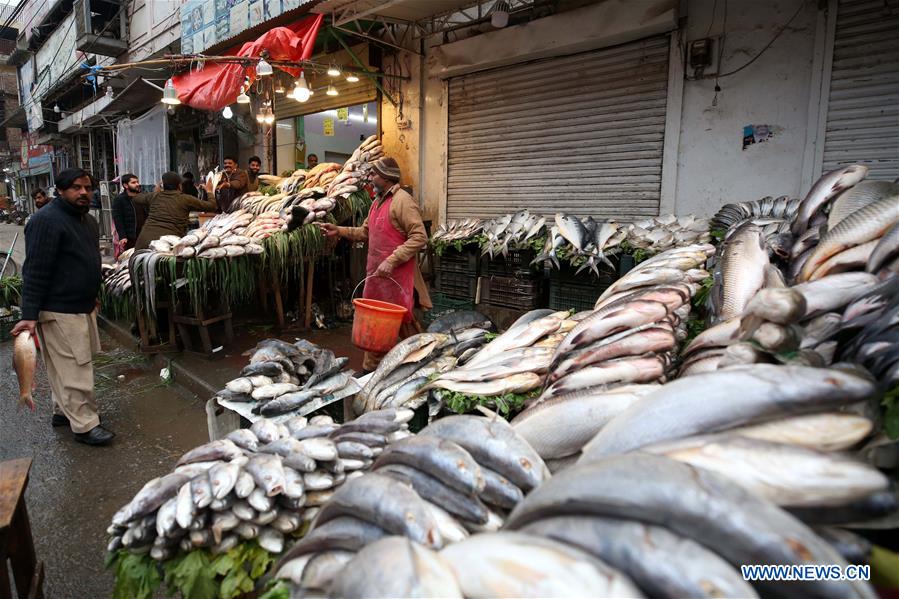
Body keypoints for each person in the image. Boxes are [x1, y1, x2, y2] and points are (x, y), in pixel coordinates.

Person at [11, 168, 113, 446]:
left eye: (87, 187)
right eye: (76, 188)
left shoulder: (88, 221)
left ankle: (62, 411)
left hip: (81, 304)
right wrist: (29, 316)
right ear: (60, 190)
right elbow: (34, 270)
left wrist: (93, 291)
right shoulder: (46, 221)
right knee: (77, 368)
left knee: (63, 366)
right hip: (59, 309)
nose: (83, 193)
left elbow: (87, 259)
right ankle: (85, 425)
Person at [317, 157, 432, 373]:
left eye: (374, 174)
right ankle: (371, 370)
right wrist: (339, 230)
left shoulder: (402, 201)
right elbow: (365, 233)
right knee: (378, 325)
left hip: (398, 279)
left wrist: (392, 260)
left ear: (387, 178)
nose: (370, 178)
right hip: (378, 278)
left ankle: (422, 365)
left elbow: (419, 237)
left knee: (403, 325)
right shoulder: (376, 203)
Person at [134, 171, 216, 250]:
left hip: (143, 242)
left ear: (163, 185)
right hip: (167, 244)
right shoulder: (185, 199)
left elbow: (136, 198)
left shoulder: (154, 196)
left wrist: (156, 191)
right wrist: (209, 191)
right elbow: (212, 206)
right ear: (180, 186)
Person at [111, 173, 147, 252]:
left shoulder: (143, 197)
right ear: (125, 185)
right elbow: (118, 219)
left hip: (144, 235)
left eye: (137, 182)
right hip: (130, 237)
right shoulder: (120, 199)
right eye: (133, 182)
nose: (137, 184)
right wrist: (122, 236)